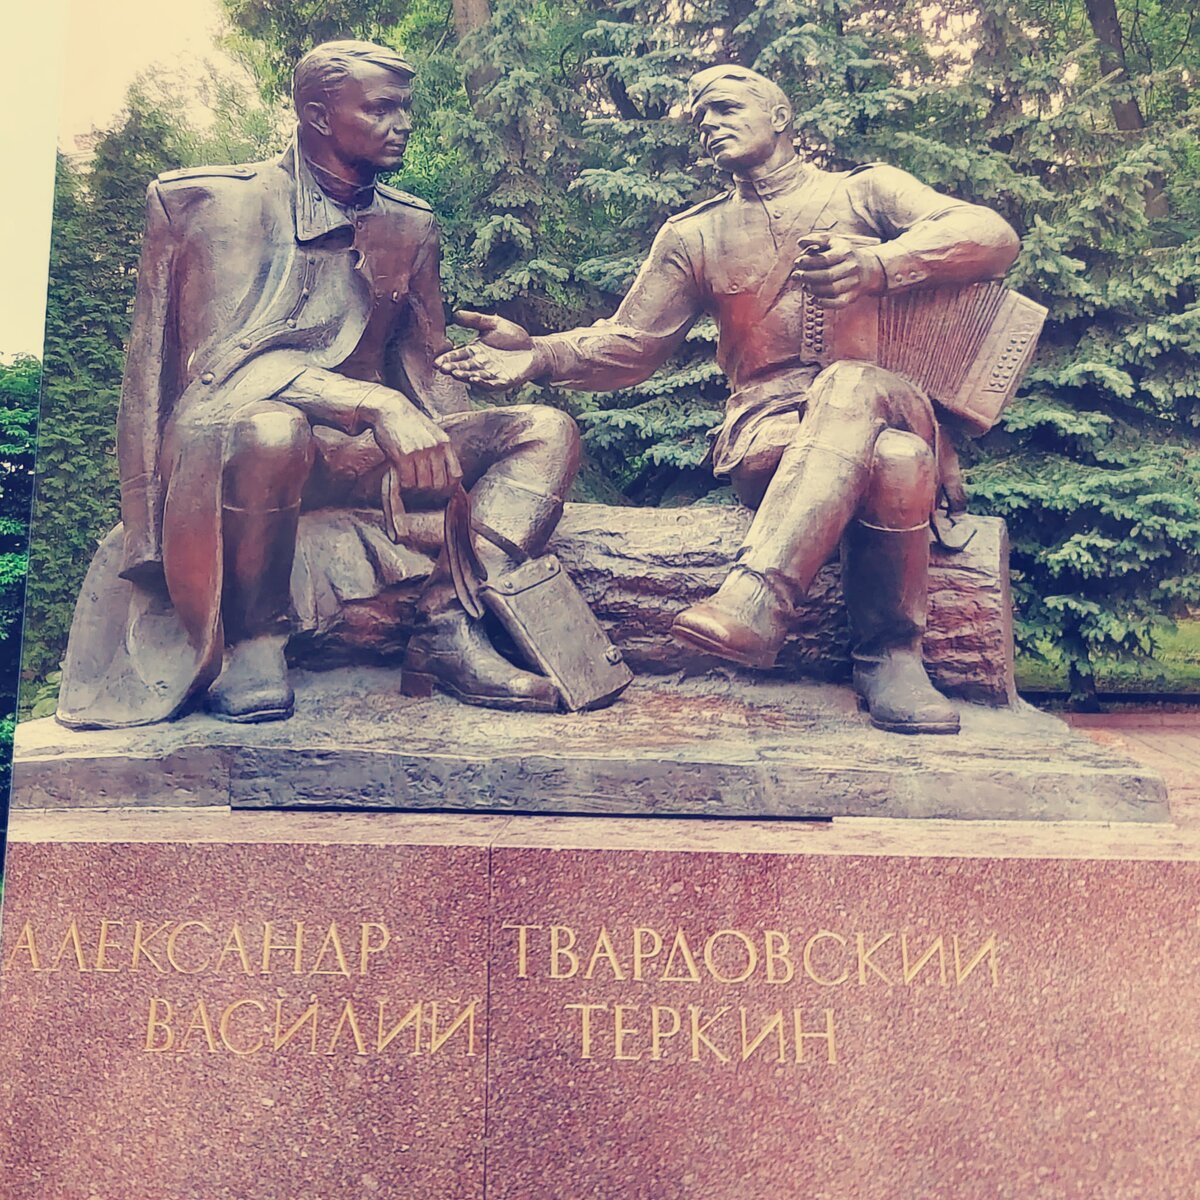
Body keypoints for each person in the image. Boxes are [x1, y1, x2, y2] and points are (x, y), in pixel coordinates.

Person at [435, 64, 1021, 734]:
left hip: (889, 398)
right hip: (770, 430)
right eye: (700, 117)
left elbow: (993, 236)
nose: (708, 124)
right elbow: (631, 344)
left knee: (850, 383)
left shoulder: (865, 192)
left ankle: (757, 599)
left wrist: (881, 265)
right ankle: (890, 659)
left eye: (725, 108)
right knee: (898, 464)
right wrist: (537, 353)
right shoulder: (694, 235)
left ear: (780, 116)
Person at [58, 40, 580, 729]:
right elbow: (219, 372)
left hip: (354, 457)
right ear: (318, 115)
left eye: (406, 108)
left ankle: (447, 622)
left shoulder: (411, 223)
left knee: (547, 429)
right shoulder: (213, 204)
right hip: (235, 448)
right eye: (381, 109)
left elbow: (422, 368)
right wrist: (371, 402)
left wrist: (492, 363)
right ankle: (254, 642)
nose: (403, 124)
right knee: (273, 428)